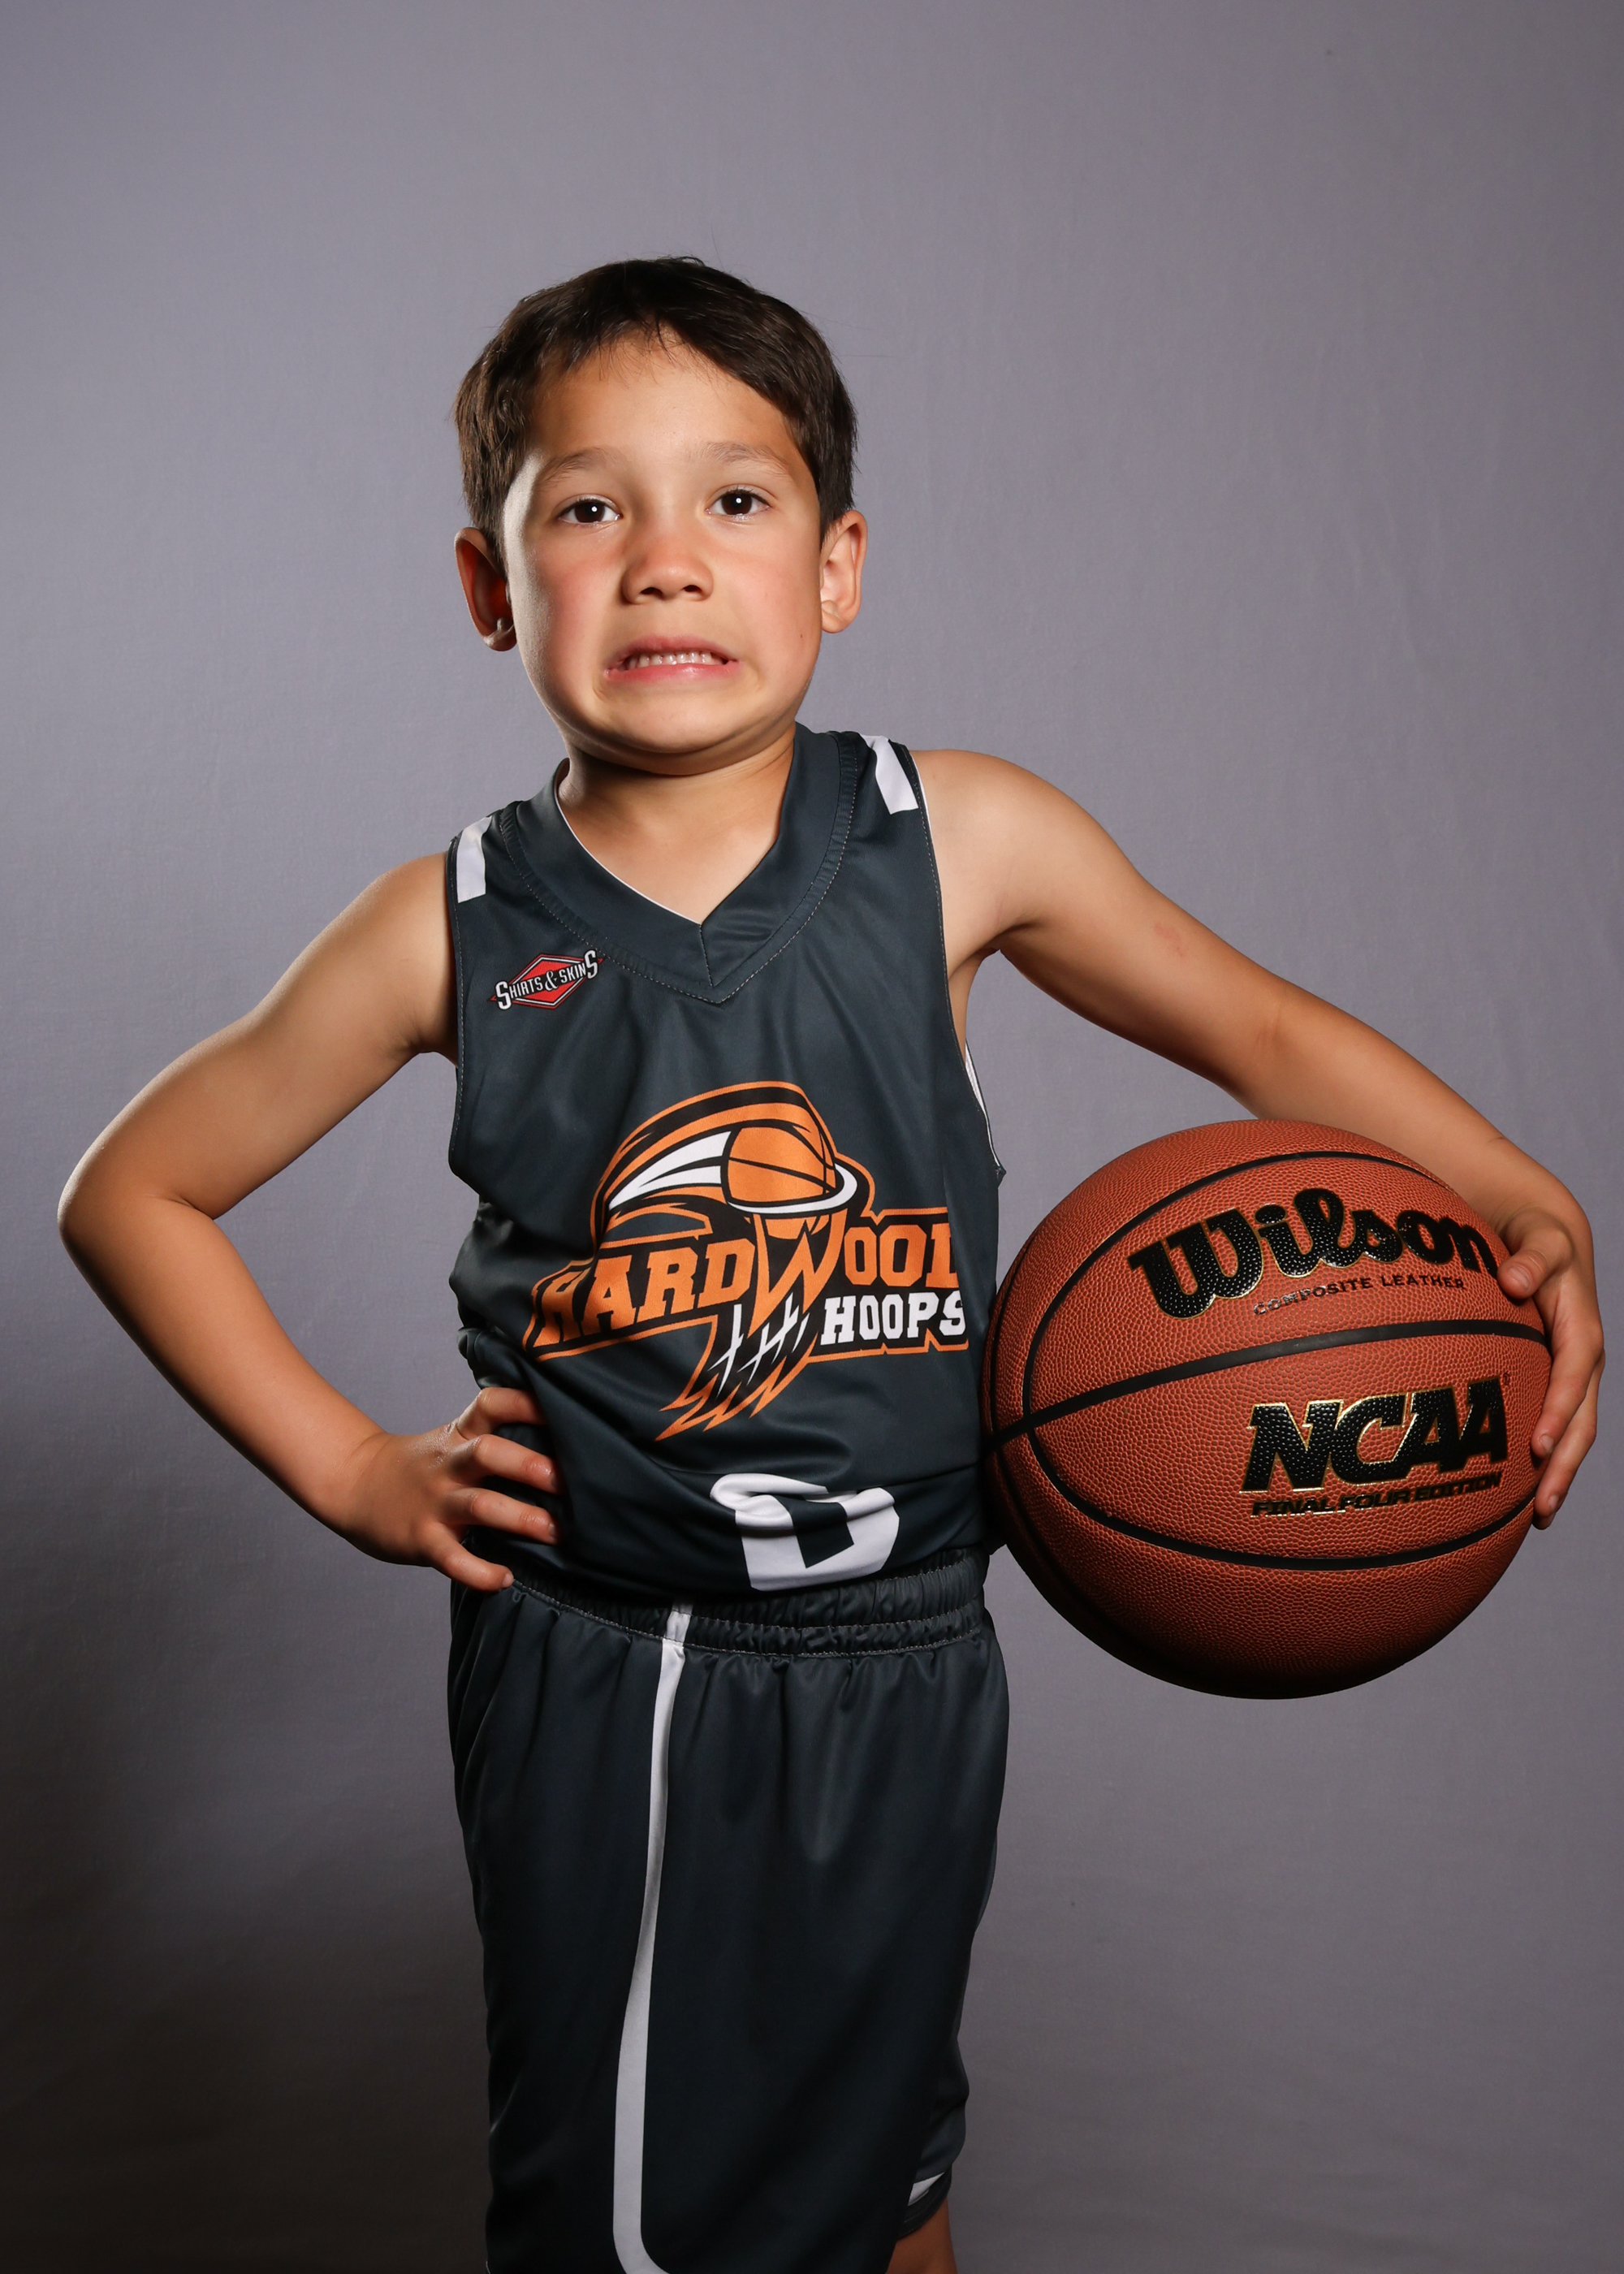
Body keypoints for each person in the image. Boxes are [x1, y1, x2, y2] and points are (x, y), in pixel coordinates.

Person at [58, 257, 1603, 2274]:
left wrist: (1519, 1194)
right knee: (627, 2231)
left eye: (736, 498)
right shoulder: (450, 923)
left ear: (839, 564)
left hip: (916, 1644)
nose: (666, 558)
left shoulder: (956, 837)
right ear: (491, 587)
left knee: (883, 2191)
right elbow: (135, 1190)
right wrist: (352, 1466)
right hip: (630, 1667)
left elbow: (1259, 1030)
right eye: (588, 506)